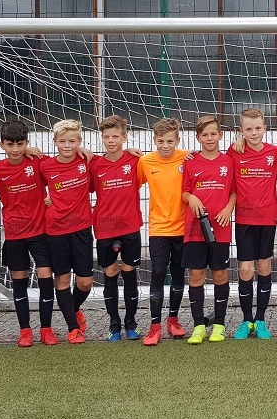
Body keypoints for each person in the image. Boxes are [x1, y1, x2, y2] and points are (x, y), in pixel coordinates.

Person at [0, 120, 57, 347]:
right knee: (19, 280)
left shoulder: (38, 161)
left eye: (20, 144)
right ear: (1, 145)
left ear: (27, 143)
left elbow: (62, 168)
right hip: (15, 234)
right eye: (10, 144)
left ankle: (46, 329)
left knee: (46, 278)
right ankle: (25, 330)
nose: (15, 149)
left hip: (40, 232)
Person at [181, 115, 237, 344]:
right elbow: (184, 191)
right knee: (196, 275)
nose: (210, 138)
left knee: (220, 274)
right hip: (195, 228)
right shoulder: (190, 161)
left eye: (213, 134)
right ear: (198, 137)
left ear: (220, 135)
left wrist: (228, 209)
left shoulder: (228, 162)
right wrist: (191, 197)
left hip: (220, 227)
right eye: (205, 135)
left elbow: (233, 191)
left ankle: (220, 325)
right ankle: (198, 326)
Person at [227, 108, 277, 340]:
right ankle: (246, 320)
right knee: (246, 269)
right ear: (242, 131)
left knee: (265, 266)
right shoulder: (234, 151)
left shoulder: (275, 152)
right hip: (244, 219)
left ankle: (260, 319)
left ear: (265, 128)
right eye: (248, 129)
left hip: (267, 218)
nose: (254, 133)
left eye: (258, 128)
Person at [40, 119, 94, 344]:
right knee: (62, 279)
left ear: (79, 141)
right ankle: (73, 328)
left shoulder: (87, 161)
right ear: (55, 142)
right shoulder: (45, 165)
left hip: (82, 228)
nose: (67, 145)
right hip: (55, 230)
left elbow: (114, 159)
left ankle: (73, 309)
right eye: (62, 141)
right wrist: (45, 199)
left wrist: (130, 150)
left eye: (72, 141)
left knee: (85, 282)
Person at [90, 115, 143, 342]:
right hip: (104, 227)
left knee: (129, 272)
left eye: (115, 136)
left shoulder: (136, 161)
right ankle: (114, 324)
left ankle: (131, 322)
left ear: (124, 137)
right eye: (106, 137)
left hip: (130, 225)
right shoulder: (94, 165)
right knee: (110, 272)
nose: (111, 141)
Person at [138, 118, 189, 346]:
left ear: (177, 140)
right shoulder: (145, 161)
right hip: (158, 228)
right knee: (158, 272)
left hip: (183, 227)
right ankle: (155, 326)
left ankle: (173, 320)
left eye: (170, 141)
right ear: (154, 140)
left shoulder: (187, 158)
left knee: (178, 274)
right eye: (161, 141)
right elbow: (132, 184)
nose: (165, 145)